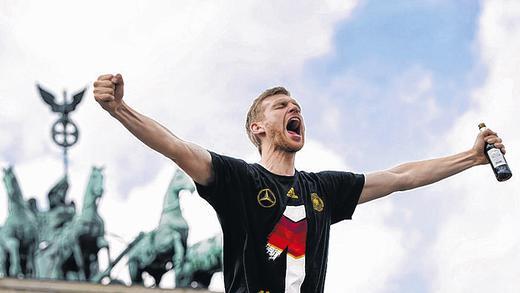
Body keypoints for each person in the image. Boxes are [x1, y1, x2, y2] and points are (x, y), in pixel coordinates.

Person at [93, 73, 507, 293]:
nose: (294, 108)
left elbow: (400, 177)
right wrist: (119, 108)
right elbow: (175, 147)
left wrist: (470, 157)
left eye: (297, 106)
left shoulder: (322, 191)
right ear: (258, 127)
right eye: (280, 106)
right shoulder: (239, 179)